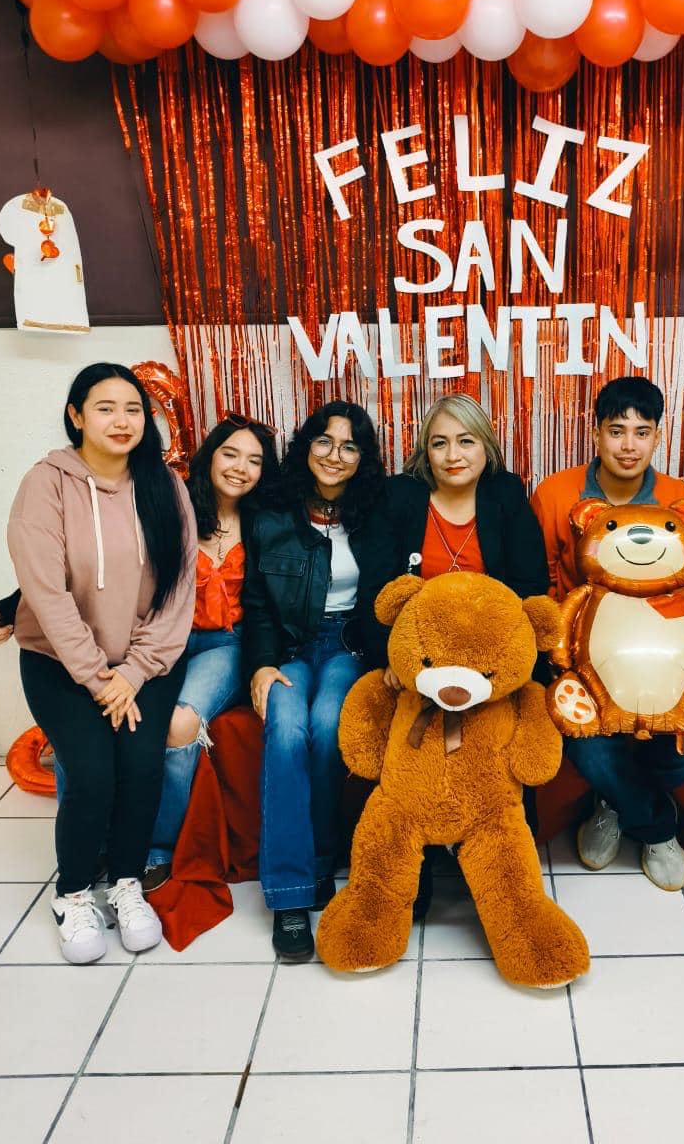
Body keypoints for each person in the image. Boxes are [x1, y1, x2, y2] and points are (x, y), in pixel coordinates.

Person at [7, 363, 197, 964]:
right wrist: (97, 677)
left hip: (144, 663)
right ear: (77, 416)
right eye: (106, 408)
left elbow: (178, 590)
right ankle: (71, 894)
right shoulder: (46, 484)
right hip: (60, 664)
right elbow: (47, 595)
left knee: (141, 765)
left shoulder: (165, 487)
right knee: (90, 774)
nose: (122, 420)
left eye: (133, 409)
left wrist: (133, 673)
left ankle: (125, 882)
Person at [531, 375, 684, 891]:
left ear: (658, 436)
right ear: (596, 432)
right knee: (587, 744)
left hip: (672, 658)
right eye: (616, 431)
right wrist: (562, 659)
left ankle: (617, 800)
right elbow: (545, 583)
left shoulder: (680, 499)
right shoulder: (556, 494)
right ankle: (654, 826)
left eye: (642, 432)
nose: (628, 445)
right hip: (588, 663)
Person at [242, 400, 385, 961]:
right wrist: (260, 664)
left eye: (350, 446)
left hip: (348, 645)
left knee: (328, 726)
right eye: (324, 441)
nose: (335, 455)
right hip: (289, 647)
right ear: (306, 447)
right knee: (285, 730)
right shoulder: (272, 513)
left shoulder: (374, 512)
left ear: (363, 457)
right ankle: (289, 894)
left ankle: (323, 858)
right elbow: (257, 603)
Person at [142, 414, 280, 891]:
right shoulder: (175, 506)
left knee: (180, 722)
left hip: (228, 644)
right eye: (231, 454)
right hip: (169, 640)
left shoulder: (265, 521)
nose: (241, 468)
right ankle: (107, 837)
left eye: (254, 460)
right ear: (210, 456)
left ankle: (159, 849)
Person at [359, 392, 549, 678]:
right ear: (426, 452)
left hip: (489, 652)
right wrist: (392, 657)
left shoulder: (506, 493)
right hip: (418, 654)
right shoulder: (397, 495)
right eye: (439, 443)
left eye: (466, 441)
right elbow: (375, 591)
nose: (452, 456)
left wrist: (498, 658)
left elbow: (530, 584)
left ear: (486, 446)